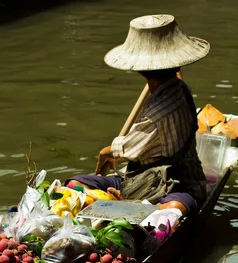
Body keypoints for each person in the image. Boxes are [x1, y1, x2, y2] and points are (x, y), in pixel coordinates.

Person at [66, 14, 210, 217]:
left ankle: (124, 206)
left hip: (178, 185)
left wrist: (106, 152)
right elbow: (175, 74)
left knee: (172, 211)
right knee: (74, 185)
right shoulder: (179, 87)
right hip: (141, 181)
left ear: (141, 70)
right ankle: (121, 202)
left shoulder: (159, 113)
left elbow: (128, 150)